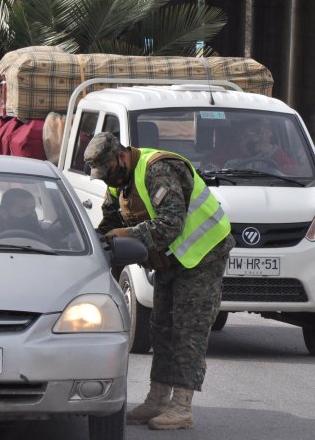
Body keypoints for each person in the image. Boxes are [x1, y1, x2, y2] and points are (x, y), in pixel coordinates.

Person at [83, 132, 235, 431]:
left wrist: (127, 235)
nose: (107, 180)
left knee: (187, 330)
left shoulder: (157, 170)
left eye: (109, 172)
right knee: (161, 326)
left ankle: (182, 407)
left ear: (121, 157)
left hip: (203, 255)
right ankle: (157, 398)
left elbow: (170, 225)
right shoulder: (118, 183)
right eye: (102, 176)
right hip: (171, 261)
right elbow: (110, 225)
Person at [223, 119, 294, 172]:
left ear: (269, 135)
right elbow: (214, 168)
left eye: (262, 132)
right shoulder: (230, 151)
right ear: (243, 134)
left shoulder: (276, 153)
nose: (257, 136)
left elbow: (292, 171)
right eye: (252, 132)